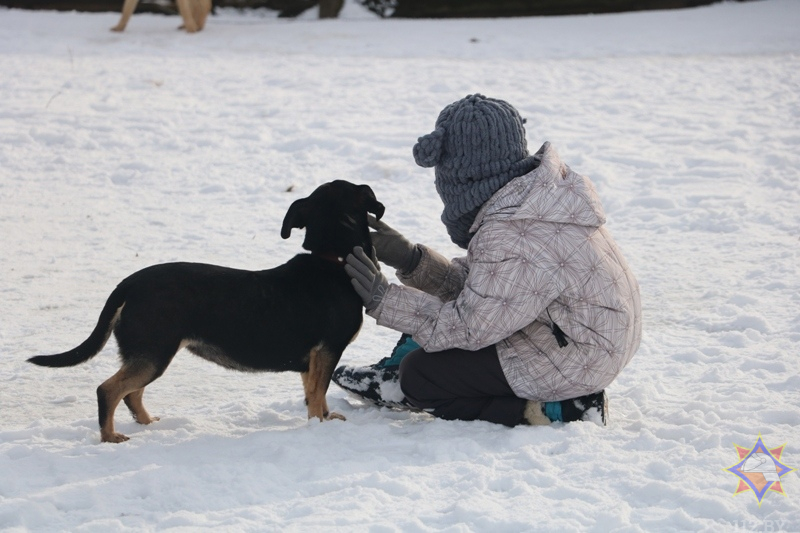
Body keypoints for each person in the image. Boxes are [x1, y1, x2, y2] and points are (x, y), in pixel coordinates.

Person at [333, 94, 641, 427]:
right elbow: (487, 289)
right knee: (429, 323)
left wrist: (384, 300)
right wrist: (411, 260)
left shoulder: (512, 232)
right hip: (576, 334)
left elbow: (470, 326)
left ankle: (562, 408)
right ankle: (392, 374)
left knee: (421, 376)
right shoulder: (530, 199)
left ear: (457, 174)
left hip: (577, 357)